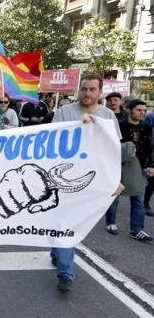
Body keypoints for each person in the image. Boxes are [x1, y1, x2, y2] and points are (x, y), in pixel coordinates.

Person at [51, 75, 124, 292]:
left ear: (100, 92)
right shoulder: (64, 112)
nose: (87, 93)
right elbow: (52, 139)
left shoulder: (108, 115)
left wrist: (116, 180)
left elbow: (113, 151)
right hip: (65, 177)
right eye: (84, 89)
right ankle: (66, 271)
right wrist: (76, 127)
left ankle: (57, 252)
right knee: (65, 223)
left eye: (92, 89)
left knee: (73, 222)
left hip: (94, 178)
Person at [105, 99, 153, 241]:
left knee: (138, 197)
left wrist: (151, 165)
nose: (142, 113)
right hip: (120, 165)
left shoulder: (146, 128)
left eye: (144, 110)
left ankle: (137, 229)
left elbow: (150, 148)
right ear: (130, 110)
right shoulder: (120, 126)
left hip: (139, 167)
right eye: (139, 110)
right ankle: (110, 222)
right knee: (115, 195)